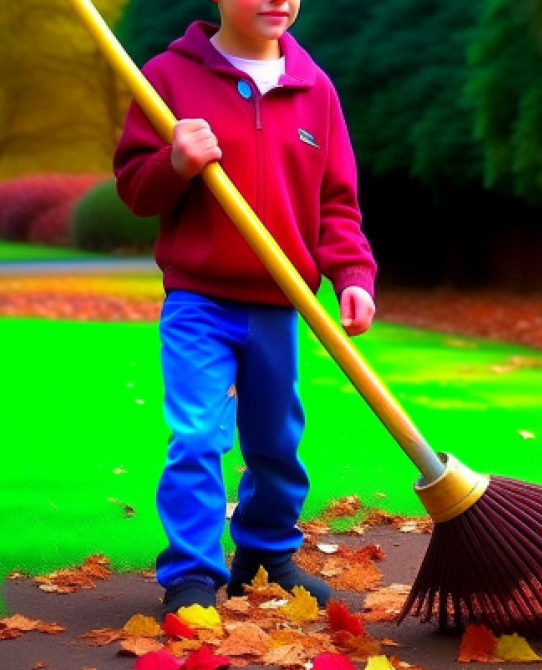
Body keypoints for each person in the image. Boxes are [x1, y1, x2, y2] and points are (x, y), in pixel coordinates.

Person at [113, 0, 377, 617]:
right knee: (197, 437)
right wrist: (174, 163)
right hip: (198, 298)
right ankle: (192, 577)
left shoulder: (315, 89)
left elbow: (336, 204)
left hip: (279, 305)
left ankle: (265, 557)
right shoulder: (169, 77)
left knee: (276, 442)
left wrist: (351, 274)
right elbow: (134, 187)